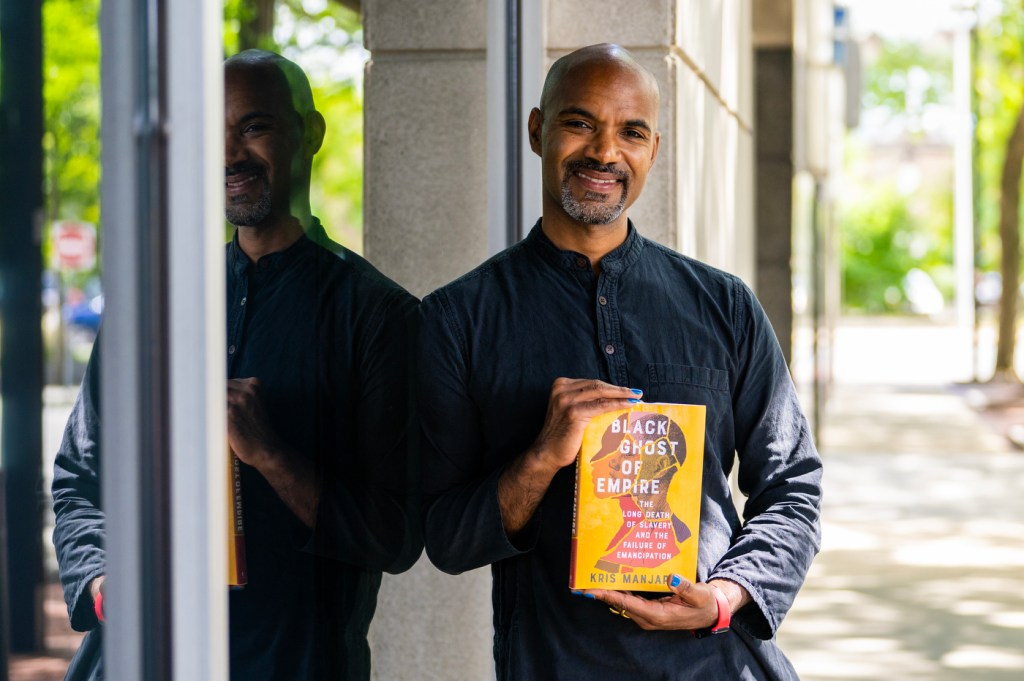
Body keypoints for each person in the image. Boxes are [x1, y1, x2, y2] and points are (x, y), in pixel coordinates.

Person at [418, 43, 822, 680]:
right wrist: (543, 455)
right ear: (536, 131)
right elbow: (444, 536)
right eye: (580, 123)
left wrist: (725, 599)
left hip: (719, 664)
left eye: (631, 132)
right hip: (555, 664)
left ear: (653, 150)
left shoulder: (726, 306)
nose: (605, 153)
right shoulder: (456, 319)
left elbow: (793, 489)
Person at [51, 49, 421, 681]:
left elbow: (394, 535)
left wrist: (269, 452)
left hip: (294, 662)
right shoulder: (151, 304)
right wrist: (106, 583)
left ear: (310, 133)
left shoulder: (380, 316)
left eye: (254, 127)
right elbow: (79, 481)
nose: (229, 156)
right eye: (212, 134)